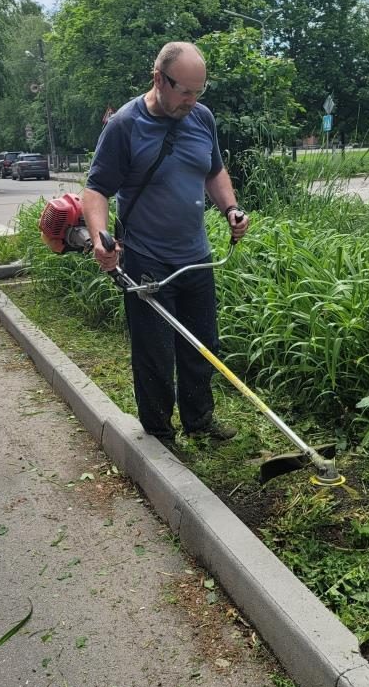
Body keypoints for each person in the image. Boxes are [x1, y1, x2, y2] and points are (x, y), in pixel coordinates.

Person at [79, 41, 249, 446]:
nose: (191, 100)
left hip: (196, 257)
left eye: (199, 91)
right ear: (159, 79)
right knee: (155, 354)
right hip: (147, 260)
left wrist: (231, 209)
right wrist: (103, 241)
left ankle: (199, 421)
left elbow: (215, 172)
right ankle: (159, 434)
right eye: (184, 91)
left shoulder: (201, 118)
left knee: (202, 345)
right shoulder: (125, 124)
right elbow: (96, 190)